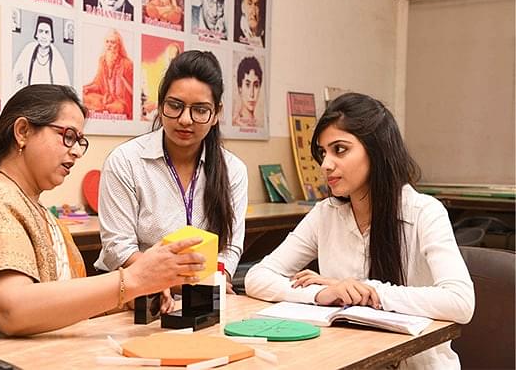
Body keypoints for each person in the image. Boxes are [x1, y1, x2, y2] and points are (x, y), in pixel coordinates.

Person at [0, 84, 206, 361]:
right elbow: (11, 310)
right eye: (68, 136)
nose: (76, 151)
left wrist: (126, 297)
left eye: (80, 141)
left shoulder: (38, 211)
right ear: (22, 132)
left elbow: (52, 301)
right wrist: (131, 280)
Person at [245, 93, 475, 369]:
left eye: (340, 149)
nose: (325, 165)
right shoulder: (326, 214)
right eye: (323, 152)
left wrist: (367, 290)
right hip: (348, 359)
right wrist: (322, 294)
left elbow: (460, 302)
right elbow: (257, 278)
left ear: (376, 150)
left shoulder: (424, 212)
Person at [95, 50, 248, 313]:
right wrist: (170, 282)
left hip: (203, 296)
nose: (185, 119)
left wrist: (215, 280)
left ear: (216, 114)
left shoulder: (233, 170)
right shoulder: (126, 161)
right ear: (160, 104)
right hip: (134, 298)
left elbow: (230, 246)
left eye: (200, 110)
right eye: (175, 106)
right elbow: (117, 248)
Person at [82, 29, 133, 118]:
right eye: (107, 42)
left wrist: (123, 80)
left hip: (120, 102)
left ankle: (102, 109)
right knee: (85, 97)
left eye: (112, 42)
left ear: (119, 45)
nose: (109, 45)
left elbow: (133, 91)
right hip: (105, 98)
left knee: (118, 108)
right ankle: (103, 108)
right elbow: (98, 83)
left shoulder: (127, 63)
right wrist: (87, 88)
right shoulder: (102, 61)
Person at [13, 16, 70, 91]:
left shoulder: (57, 57)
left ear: (51, 37)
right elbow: (17, 76)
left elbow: (64, 85)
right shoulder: (28, 50)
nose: (43, 36)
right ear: (36, 34)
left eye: (47, 32)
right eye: (40, 31)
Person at [232, 56, 262, 127]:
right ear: (240, 88)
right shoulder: (235, 124)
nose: (252, 94)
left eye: (256, 85)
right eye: (247, 85)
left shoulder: (259, 125)